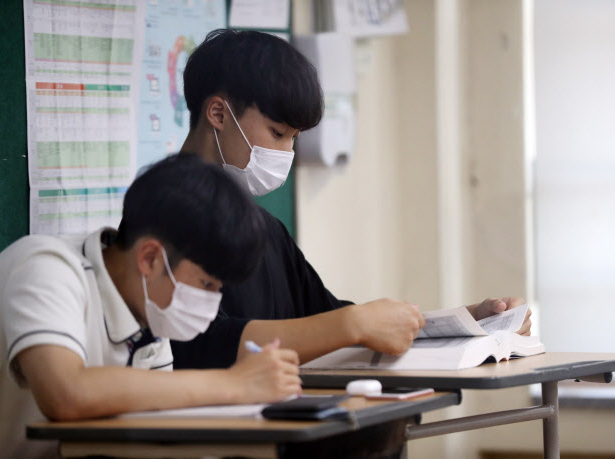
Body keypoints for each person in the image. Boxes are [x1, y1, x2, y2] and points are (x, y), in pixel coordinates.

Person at [172, 29, 532, 370]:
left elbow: (326, 323)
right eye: (278, 133)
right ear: (218, 114)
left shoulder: (264, 228)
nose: (287, 152)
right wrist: (350, 324)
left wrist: (471, 321)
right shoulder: (165, 214)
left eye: (294, 138)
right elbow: (200, 344)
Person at [0, 155, 301, 459]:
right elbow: (66, 394)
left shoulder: (147, 316)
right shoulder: (47, 267)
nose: (211, 301)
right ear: (149, 258)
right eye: (206, 284)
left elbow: (152, 433)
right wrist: (235, 384)